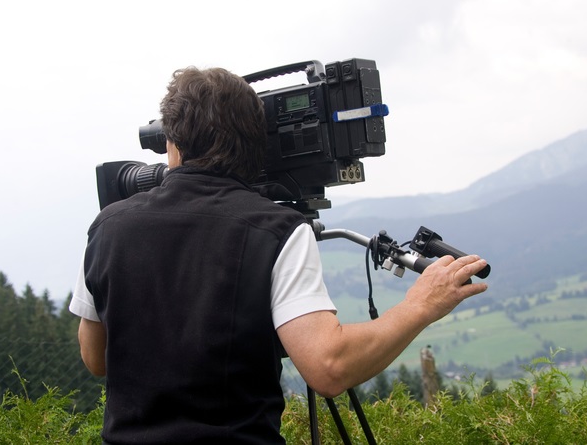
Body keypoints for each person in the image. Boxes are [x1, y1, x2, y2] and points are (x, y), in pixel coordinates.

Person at [69, 66, 488, 444]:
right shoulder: (276, 231)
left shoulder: (108, 226)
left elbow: (96, 357)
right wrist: (419, 306)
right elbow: (329, 366)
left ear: (173, 141)